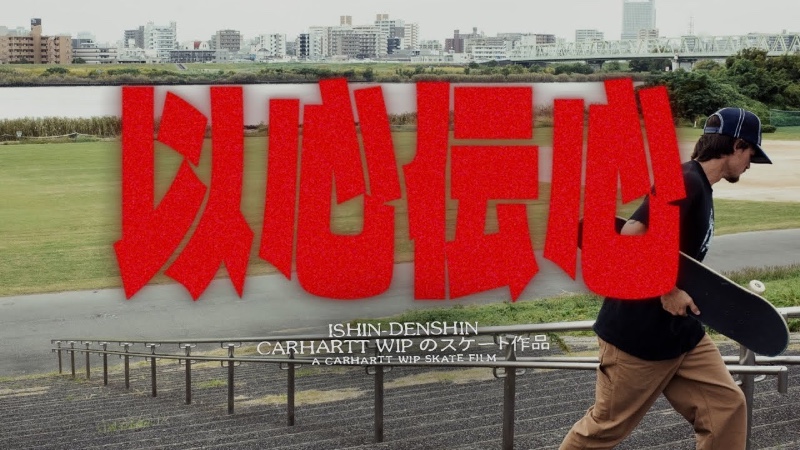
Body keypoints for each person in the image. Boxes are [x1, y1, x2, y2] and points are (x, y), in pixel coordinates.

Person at [560, 107, 773, 450]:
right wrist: (666, 288)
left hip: (681, 333)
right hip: (637, 333)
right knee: (604, 429)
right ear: (736, 145)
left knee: (726, 408)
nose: (750, 164)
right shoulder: (686, 181)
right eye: (751, 154)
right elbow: (631, 234)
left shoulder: (701, 186)